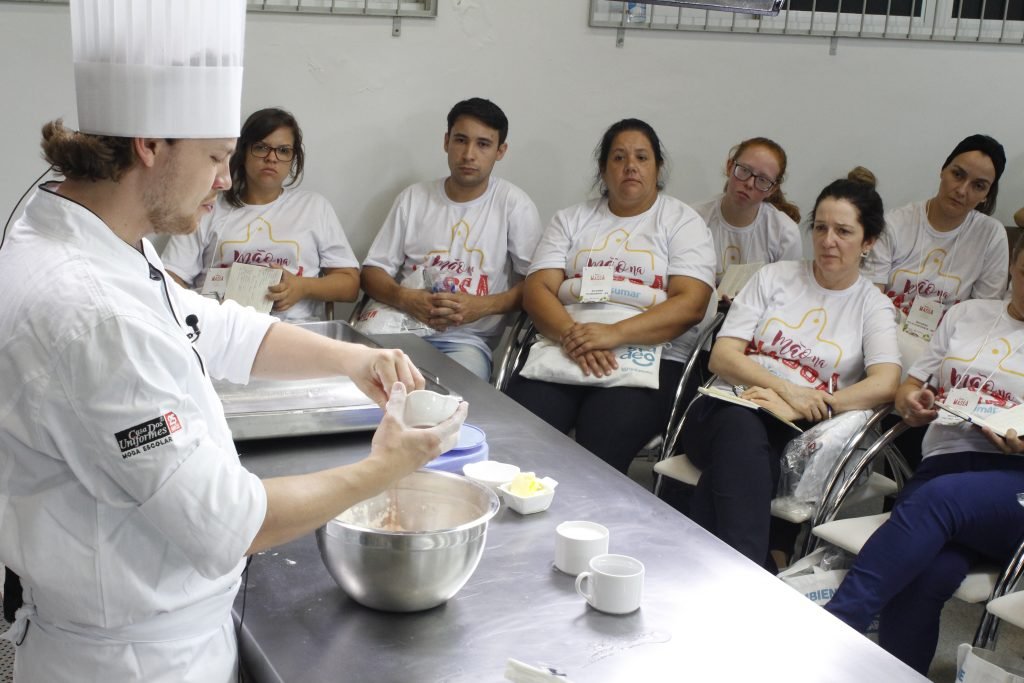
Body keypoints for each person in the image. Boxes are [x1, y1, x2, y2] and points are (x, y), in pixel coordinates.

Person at [0, 2, 465, 680]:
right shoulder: (93, 313)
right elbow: (229, 523)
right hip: (137, 659)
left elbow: (212, 324)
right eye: (217, 157)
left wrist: (353, 358)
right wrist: (385, 467)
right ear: (150, 144)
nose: (226, 180)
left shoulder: (85, 231)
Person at [679, 171, 901, 570]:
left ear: (868, 242)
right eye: (820, 227)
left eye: (843, 231)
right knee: (740, 431)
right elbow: (723, 357)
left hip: (799, 434)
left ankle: (717, 567)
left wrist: (815, 404)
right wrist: (788, 390)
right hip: (726, 405)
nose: (828, 240)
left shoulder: (872, 305)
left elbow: (887, 383)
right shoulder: (774, 277)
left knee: (737, 467)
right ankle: (754, 574)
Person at [825, 235, 1024, 674]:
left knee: (939, 501)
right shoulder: (968, 315)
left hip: (1014, 485)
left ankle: (831, 629)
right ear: (1014, 264)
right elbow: (910, 386)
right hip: (946, 465)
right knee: (923, 579)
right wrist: (912, 404)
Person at [505, 118, 715, 475]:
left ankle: (584, 527)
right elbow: (537, 289)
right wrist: (574, 336)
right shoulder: (571, 219)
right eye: (618, 157)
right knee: (520, 432)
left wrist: (614, 334)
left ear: (657, 168)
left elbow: (691, 303)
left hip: (650, 355)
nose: (630, 166)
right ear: (603, 170)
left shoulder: (682, 222)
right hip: (566, 341)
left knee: (603, 437)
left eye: (641, 157)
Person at [360, 97, 543, 381]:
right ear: (446, 142)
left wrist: (484, 305)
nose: (469, 154)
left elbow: (538, 285)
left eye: (483, 144)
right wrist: (405, 298)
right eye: (461, 140)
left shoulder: (513, 205)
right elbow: (372, 272)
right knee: (368, 393)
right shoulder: (414, 198)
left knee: (460, 404)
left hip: (465, 342)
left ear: (500, 151)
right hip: (401, 330)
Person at [161, 107, 360, 322]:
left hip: (294, 332)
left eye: (283, 150)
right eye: (261, 147)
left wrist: (303, 287)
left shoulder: (314, 207)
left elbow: (349, 285)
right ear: (242, 152)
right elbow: (170, 277)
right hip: (219, 328)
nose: (271, 158)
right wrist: (201, 312)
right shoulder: (208, 206)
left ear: (293, 159)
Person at [863, 134, 1008, 322]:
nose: (962, 190)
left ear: (986, 195)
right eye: (957, 174)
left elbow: (982, 315)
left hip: (951, 344)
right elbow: (869, 301)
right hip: (885, 333)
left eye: (978, 185)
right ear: (942, 170)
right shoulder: (894, 224)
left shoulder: (991, 236)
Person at [692, 136, 802, 297]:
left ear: (772, 189)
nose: (749, 184)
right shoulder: (694, 219)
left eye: (763, 180)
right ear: (730, 166)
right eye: (744, 170)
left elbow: (786, 297)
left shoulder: (784, 233)